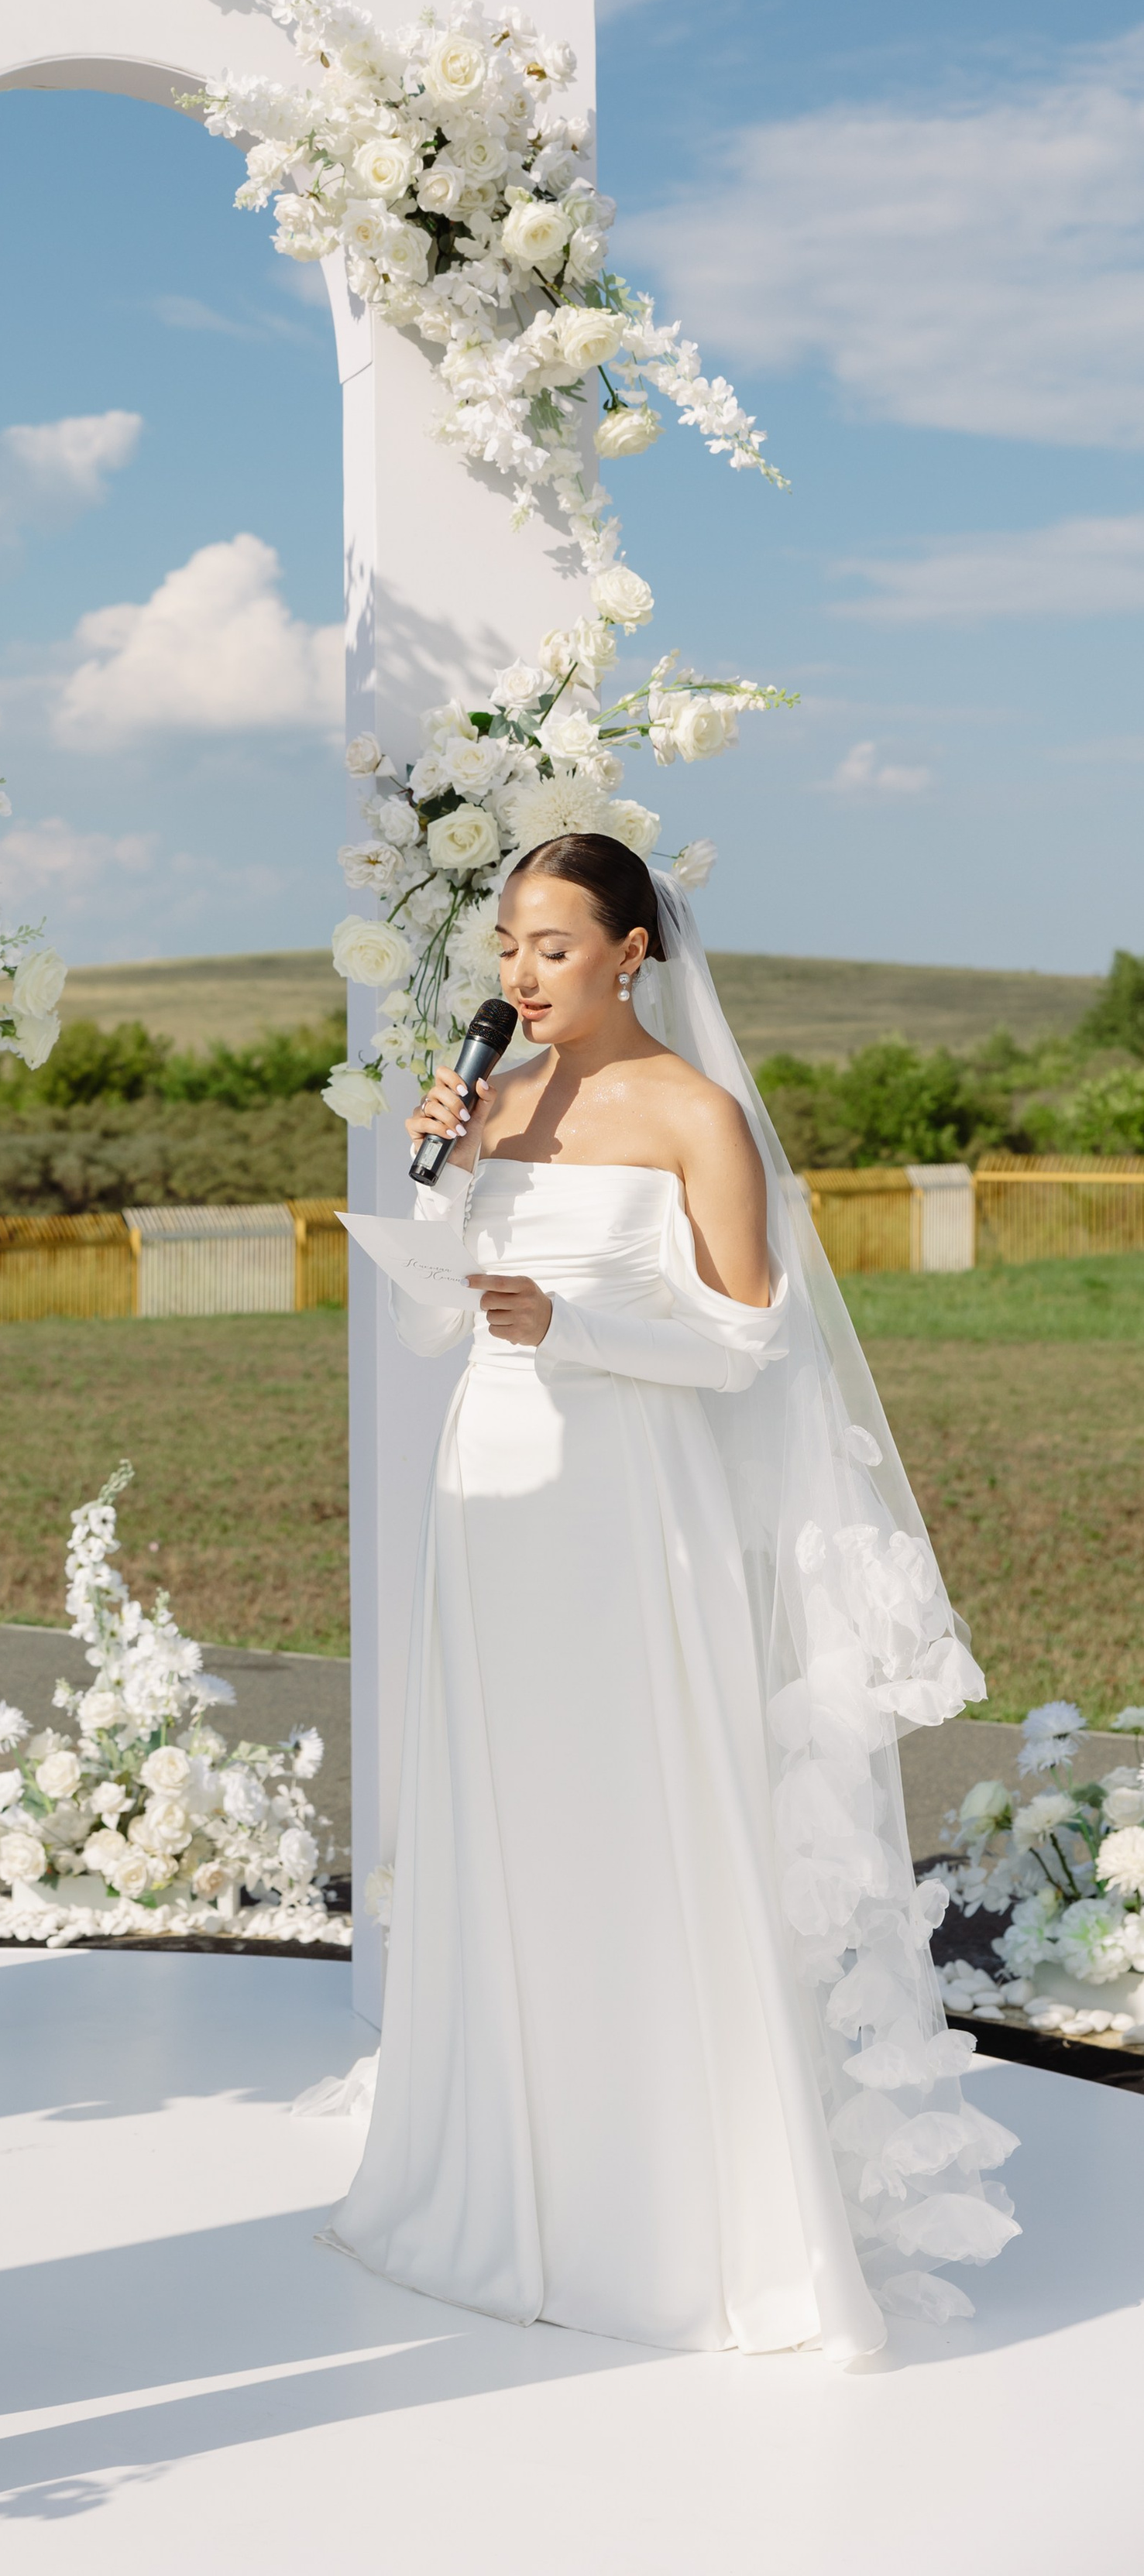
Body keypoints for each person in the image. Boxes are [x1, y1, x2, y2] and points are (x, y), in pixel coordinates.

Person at [321, 832, 1019, 2358]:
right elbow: (442, 1324)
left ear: (632, 953)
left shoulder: (694, 1115)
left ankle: (669, 2210)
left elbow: (743, 1345)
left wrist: (570, 1322)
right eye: (506, 945)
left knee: (640, 1813)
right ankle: (510, 2173)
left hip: (630, 1507)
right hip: (488, 1490)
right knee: (507, 1814)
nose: (517, 975)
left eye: (552, 946)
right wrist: (431, 1189)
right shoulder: (485, 1103)